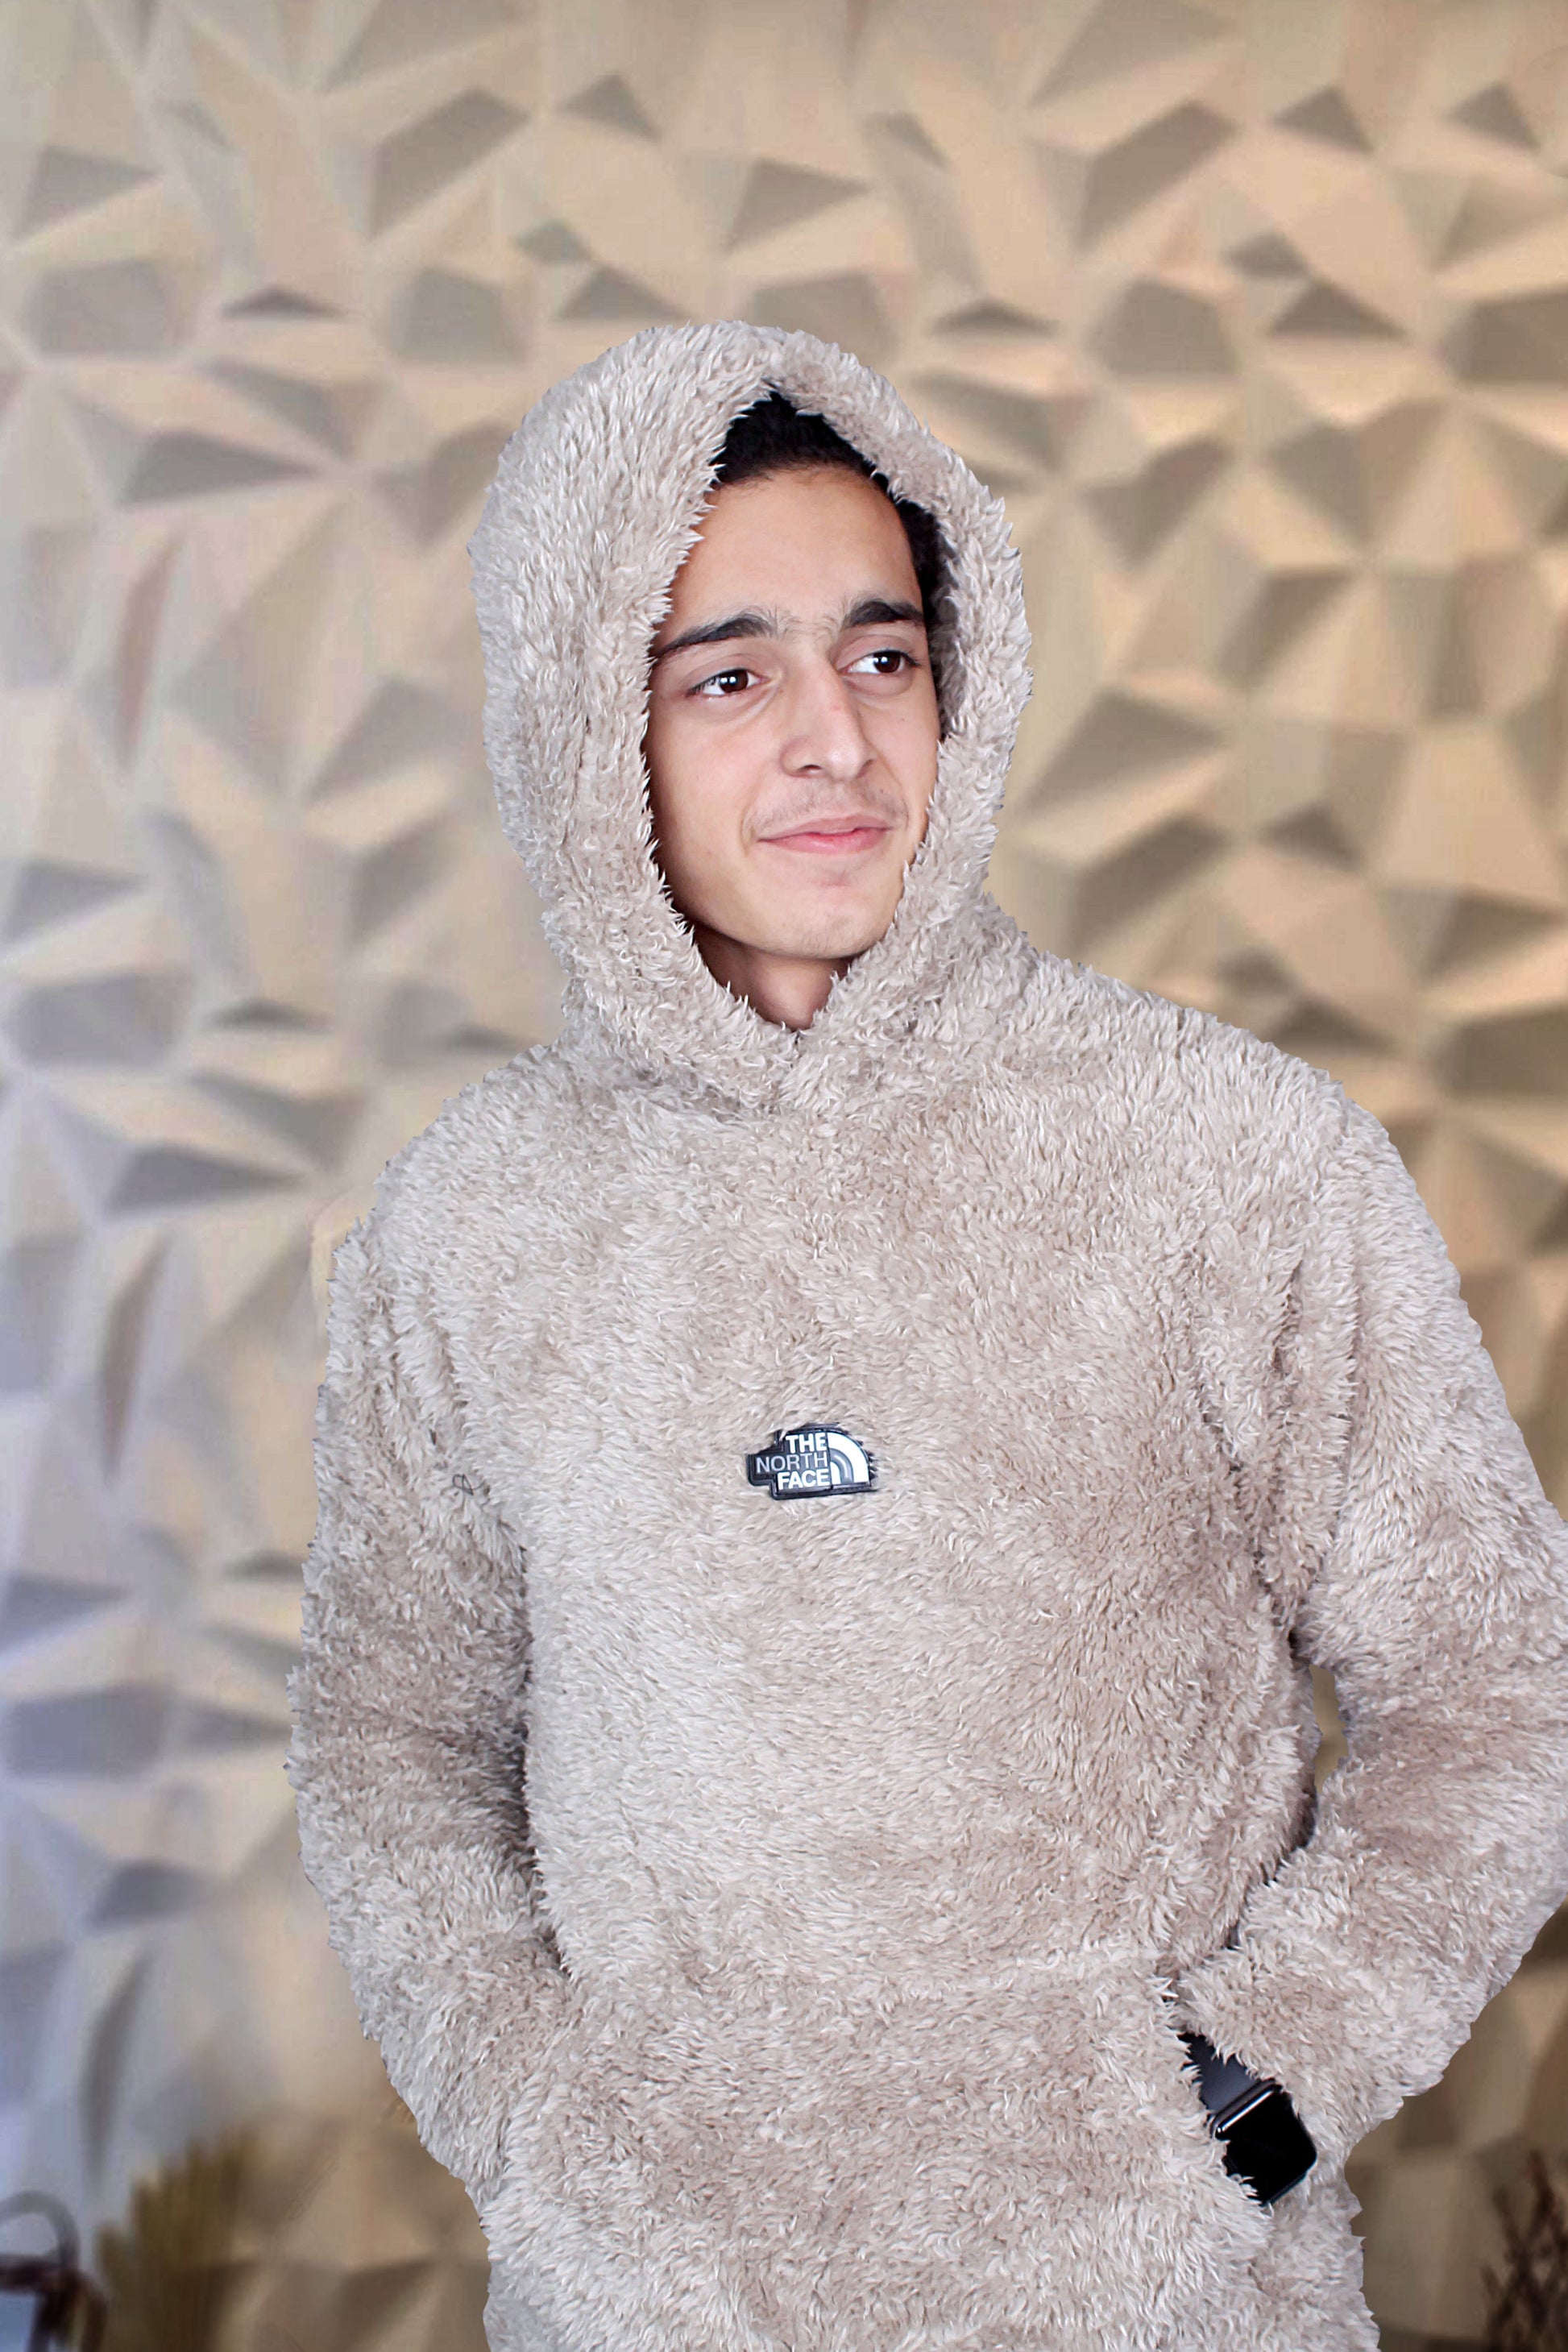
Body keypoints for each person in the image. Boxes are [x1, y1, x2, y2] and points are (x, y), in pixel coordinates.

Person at [285, 321, 1568, 2352]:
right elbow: (391, 1743)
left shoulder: (1226, 1153)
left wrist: (1252, 2100)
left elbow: (1498, 1684)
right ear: (582, 725)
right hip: (656, 2311)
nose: (837, 742)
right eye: (730, 676)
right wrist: (537, 2123)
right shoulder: (474, 1223)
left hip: (1161, 2305)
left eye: (882, 656)